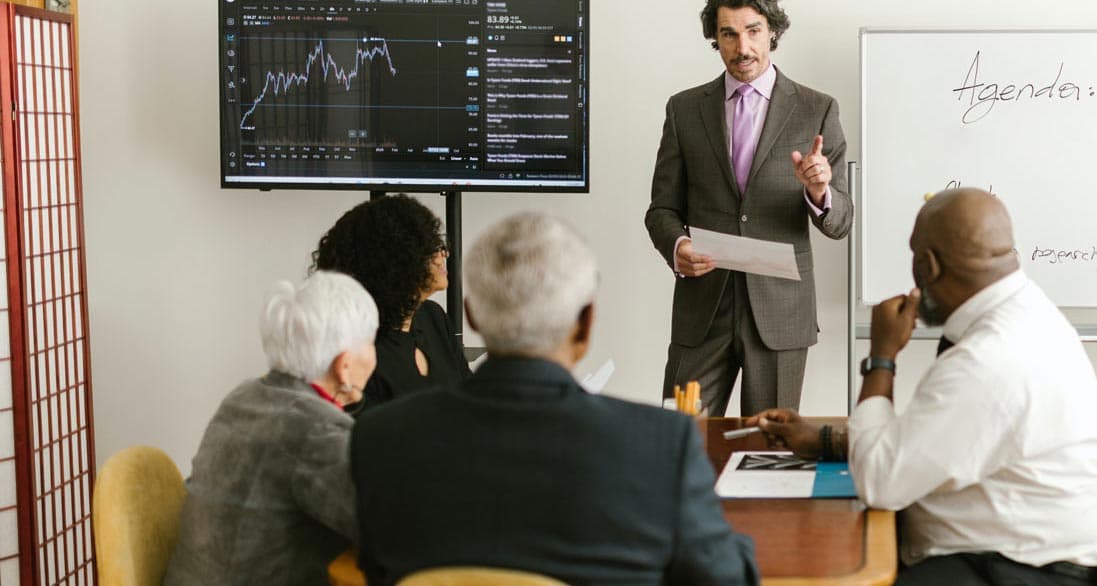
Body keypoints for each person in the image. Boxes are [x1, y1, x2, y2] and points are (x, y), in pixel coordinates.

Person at [350, 212, 758, 586]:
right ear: (585, 324)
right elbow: (725, 579)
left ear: (471, 316)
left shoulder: (378, 439)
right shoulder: (663, 445)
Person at [749, 188, 1097, 586]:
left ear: (928, 265)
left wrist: (882, 359)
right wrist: (830, 442)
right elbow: (939, 440)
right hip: (1011, 549)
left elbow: (880, 484)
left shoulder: (988, 359)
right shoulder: (1026, 310)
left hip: (1015, 570)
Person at [644, 0, 852, 416]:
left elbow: (841, 221)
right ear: (714, 39)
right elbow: (661, 209)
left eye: (754, 31)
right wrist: (677, 245)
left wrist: (820, 192)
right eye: (729, 34)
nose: (743, 48)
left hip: (779, 315)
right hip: (703, 309)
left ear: (772, 31)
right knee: (680, 442)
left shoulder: (817, 109)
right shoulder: (684, 109)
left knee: (768, 455)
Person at [165, 271, 378, 585]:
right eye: (371, 343)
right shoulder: (314, 429)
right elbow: (384, 528)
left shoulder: (243, 397)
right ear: (344, 366)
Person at [312, 194, 467, 409]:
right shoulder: (358, 348)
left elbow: (468, 402)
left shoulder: (433, 317)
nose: (445, 254)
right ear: (397, 261)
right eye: (433, 247)